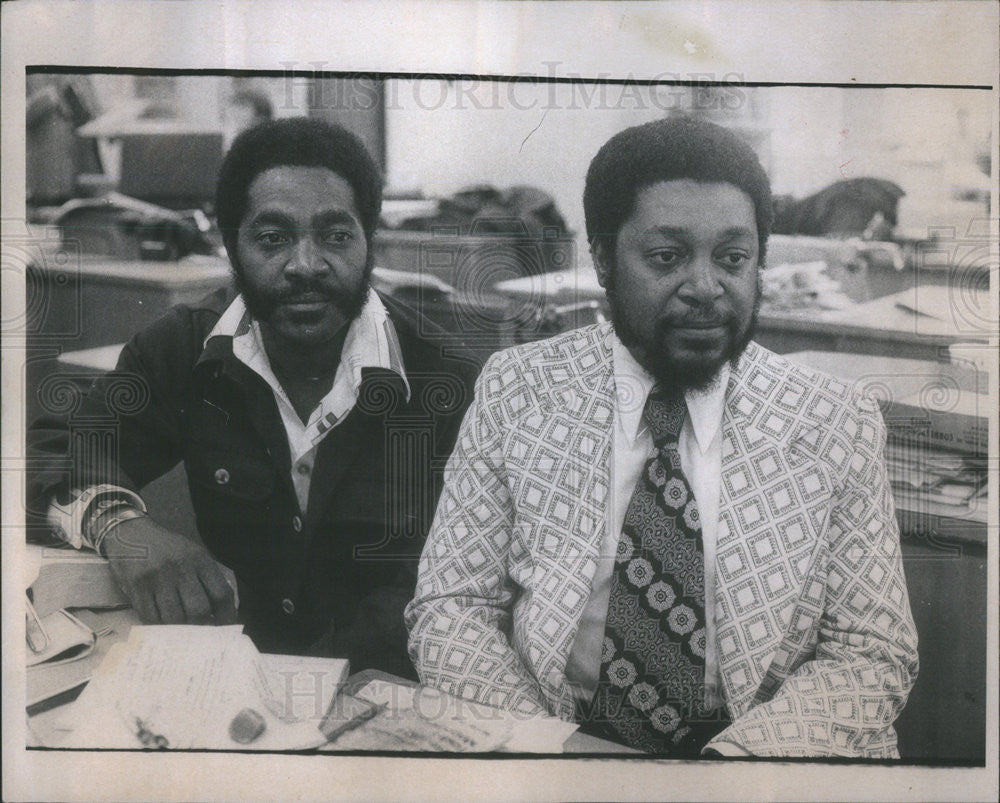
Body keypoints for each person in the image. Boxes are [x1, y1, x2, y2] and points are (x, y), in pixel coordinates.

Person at [405, 116, 918, 756]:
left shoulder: (833, 419)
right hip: (560, 744)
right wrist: (554, 750)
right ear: (601, 259)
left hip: (758, 759)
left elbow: (872, 651)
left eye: (733, 258)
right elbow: (452, 608)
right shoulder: (519, 389)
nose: (706, 288)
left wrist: (734, 764)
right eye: (666, 257)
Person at [28, 117, 478, 677]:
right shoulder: (184, 348)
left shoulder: (448, 384)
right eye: (273, 238)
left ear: (371, 242)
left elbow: (458, 589)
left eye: (336, 236)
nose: (306, 265)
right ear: (231, 247)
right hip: (232, 685)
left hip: (382, 692)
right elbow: (48, 451)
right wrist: (122, 527)